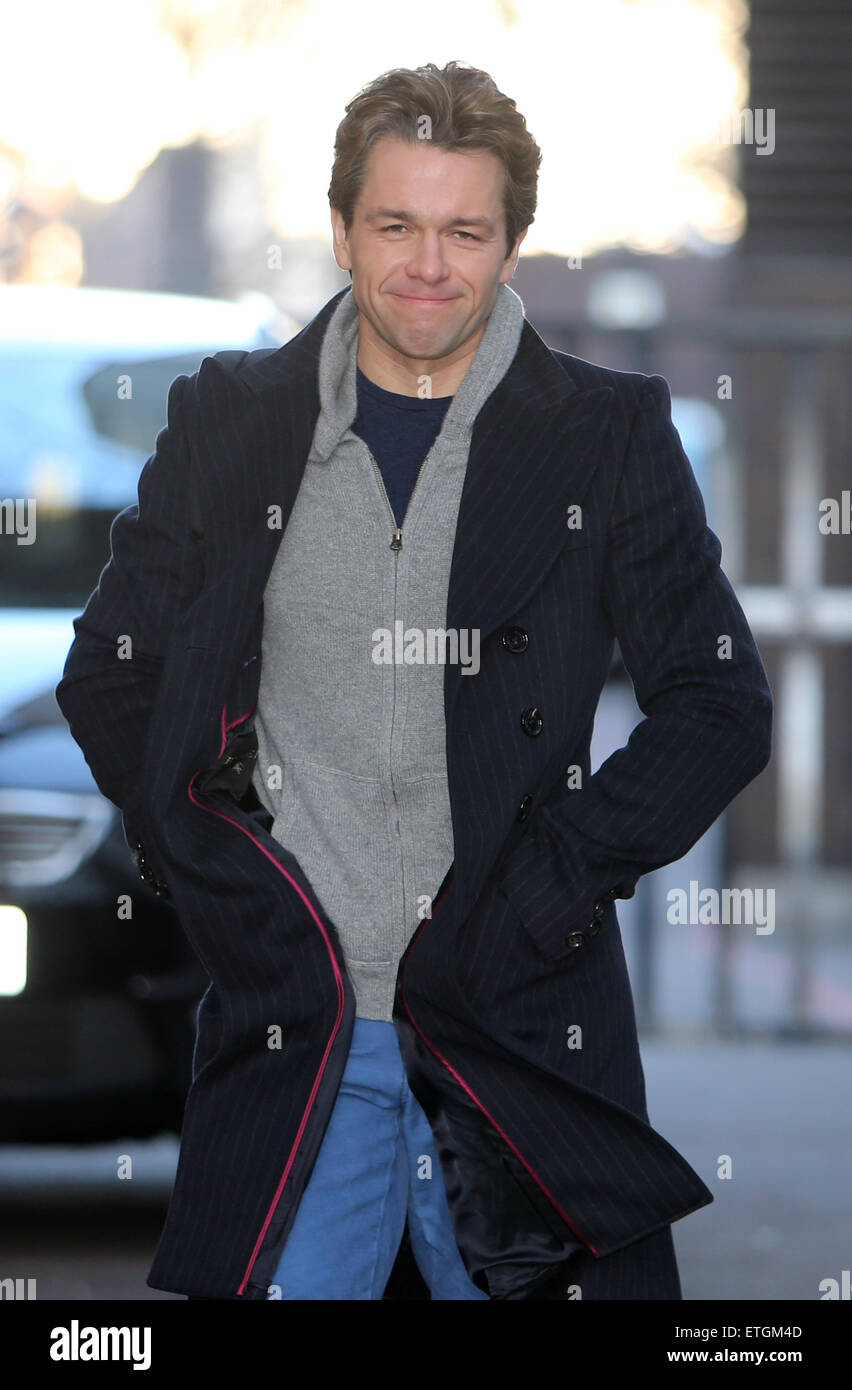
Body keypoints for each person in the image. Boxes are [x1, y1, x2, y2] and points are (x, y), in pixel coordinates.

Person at [56, 60, 773, 1301]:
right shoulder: (230, 418)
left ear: (511, 244)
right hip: (302, 1028)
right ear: (342, 229)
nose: (428, 263)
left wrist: (549, 886)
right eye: (395, 224)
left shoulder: (604, 436)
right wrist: (234, 888)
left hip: (516, 1023)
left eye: (464, 230)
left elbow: (719, 702)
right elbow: (112, 675)